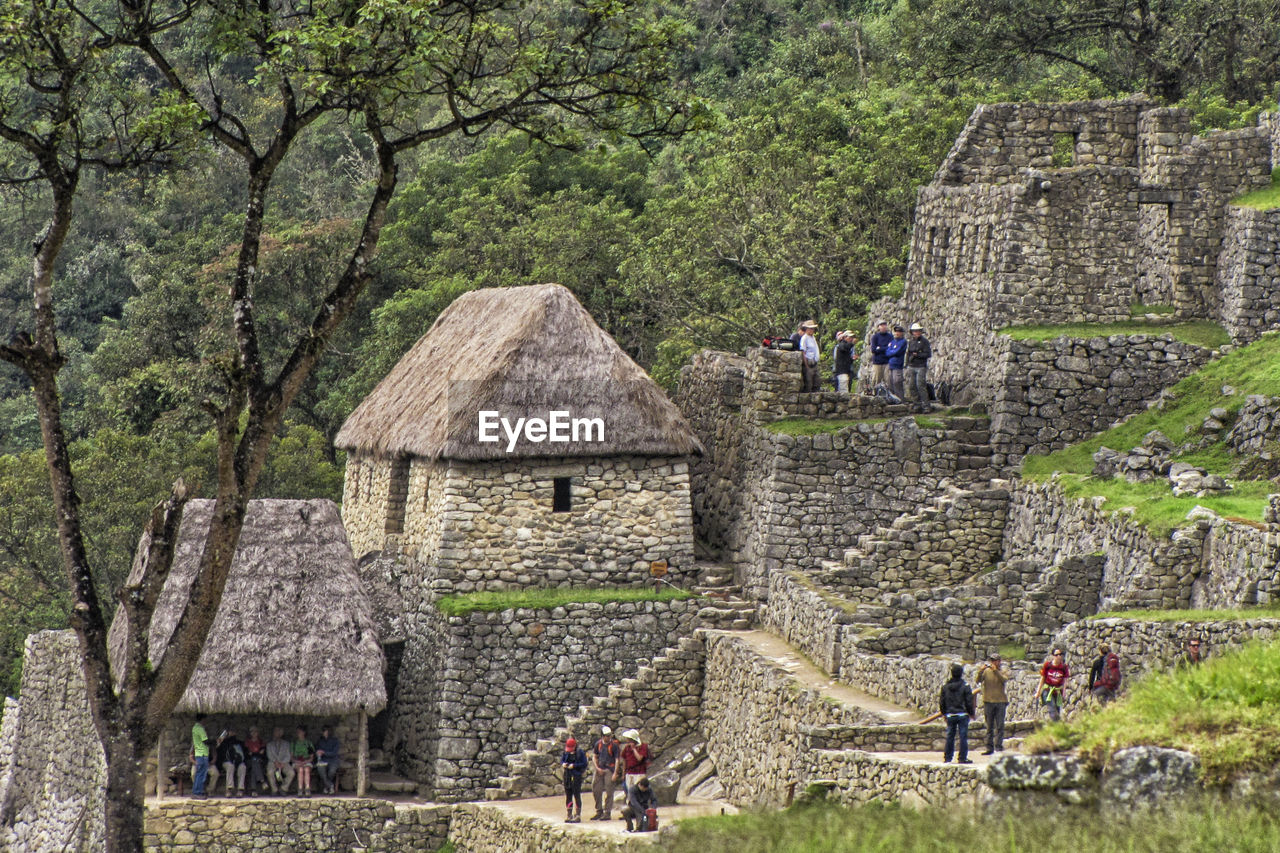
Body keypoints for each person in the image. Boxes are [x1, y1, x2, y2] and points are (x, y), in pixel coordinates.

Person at [973, 651, 1008, 755]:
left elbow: (1004, 680)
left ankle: (999, 747)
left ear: (999, 661)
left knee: (1000, 726)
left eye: (996, 661)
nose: (994, 662)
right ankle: (989, 747)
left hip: (1001, 701)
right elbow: (978, 681)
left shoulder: (1003, 671)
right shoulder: (986, 671)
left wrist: (996, 671)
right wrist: (980, 671)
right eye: (992, 660)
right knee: (989, 726)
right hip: (988, 701)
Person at [939, 663, 975, 764]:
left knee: (950, 735)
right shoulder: (965, 686)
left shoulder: (945, 687)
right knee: (963, 736)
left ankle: (947, 757)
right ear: (961, 674)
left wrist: (944, 713)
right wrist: (971, 713)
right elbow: (969, 701)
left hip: (950, 714)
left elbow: (942, 701)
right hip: (962, 714)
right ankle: (962, 757)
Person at [590, 725, 620, 821]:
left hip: (609, 769)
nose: (608, 737)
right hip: (600, 768)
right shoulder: (598, 744)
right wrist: (597, 767)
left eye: (609, 735)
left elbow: (617, 760)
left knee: (609, 791)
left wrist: (615, 773)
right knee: (596, 789)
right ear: (602, 736)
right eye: (607, 736)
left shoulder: (614, 746)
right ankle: (599, 810)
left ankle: (607, 812)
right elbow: (594, 756)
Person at [905, 322, 932, 413]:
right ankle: (916, 404)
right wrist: (907, 363)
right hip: (912, 366)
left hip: (921, 366)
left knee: (921, 385)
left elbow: (928, 354)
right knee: (912, 386)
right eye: (915, 331)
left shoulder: (924, 342)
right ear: (912, 332)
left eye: (918, 331)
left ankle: (926, 406)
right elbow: (908, 353)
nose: (916, 333)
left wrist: (918, 355)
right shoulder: (911, 342)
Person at [1038, 647, 1070, 722]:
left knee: (1058, 710)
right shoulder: (1047, 665)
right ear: (1052, 656)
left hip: (1058, 691)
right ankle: (1058, 726)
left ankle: (1056, 728)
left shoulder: (1064, 667)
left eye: (1060, 654)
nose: (1059, 656)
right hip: (1048, 690)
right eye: (1056, 655)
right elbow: (1042, 678)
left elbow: (1065, 680)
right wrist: (1038, 691)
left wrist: (1064, 692)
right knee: (1052, 708)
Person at [560, 736, 588, 822]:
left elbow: (584, 763)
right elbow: (562, 760)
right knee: (568, 795)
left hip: (576, 776)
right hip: (567, 776)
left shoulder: (580, 753)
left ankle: (578, 815)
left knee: (577, 795)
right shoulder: (566, 753)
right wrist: (563, 764)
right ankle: (569, 814)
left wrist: (574, 766)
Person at [215, 728, 247, 797]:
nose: (232, 733)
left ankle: (240, 789)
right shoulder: (224, 743)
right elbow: (218, 750)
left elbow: (244, 755)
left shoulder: (240, 743)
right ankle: (229, 789)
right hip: (226, 762)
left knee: (243, 767)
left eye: (233, 732)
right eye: (230, 732)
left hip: (238, 762)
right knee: (230, 766)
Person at [619, 729, 650, 795]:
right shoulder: (627, 748)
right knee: (630, 792)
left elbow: (639, 758)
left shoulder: (643, 747)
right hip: (629, 772)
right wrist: (623, 773)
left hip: (639, 773)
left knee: (639, 792)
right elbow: (624, 760)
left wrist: (634, 749)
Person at [266, 727, 295, 795]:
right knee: (270, 772)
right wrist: (275, 762)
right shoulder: (269, 744)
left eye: (279, 732)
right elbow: (269, 755)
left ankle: (283, 788)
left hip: (284, 763)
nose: (277, 733)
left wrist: (283, 763)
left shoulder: (287, 744)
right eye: (276, 732)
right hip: (273, 762)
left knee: (291, 773)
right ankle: (274, 789)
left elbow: (288, 755)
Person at [314, 725, 342, 795]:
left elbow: (334, 753)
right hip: (323, 760)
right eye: (323, 730)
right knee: (320, 769)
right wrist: (318, 753)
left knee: (332, 771)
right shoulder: (320, 741)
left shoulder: (335, 741)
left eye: (326, 730)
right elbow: (316, 750)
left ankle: (326, 787)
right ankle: (330, 785)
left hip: (333, 760)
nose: (325, 732)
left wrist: (324, 752)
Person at [191, 713, 212, 799]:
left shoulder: (194, 728)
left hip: (199, 754)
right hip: (202, 754)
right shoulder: (200, 729)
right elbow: (205, 741)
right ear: (202, 719)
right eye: (205, 720)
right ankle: (197, 792)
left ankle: (197, 791)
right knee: (201, 774)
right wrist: (215, 742)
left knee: (199, 773)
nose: (206, 721)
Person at [868, 320, 893, 391]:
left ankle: (889, 395)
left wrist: (880, 348)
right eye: (881, 325)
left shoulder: (890, 336)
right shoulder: (875, 337)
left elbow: (890, 349)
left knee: (888, 380)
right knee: (876, 380)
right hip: (877, 362)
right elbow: (873, 350)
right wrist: (885, 347)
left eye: (884, 325)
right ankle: (874, 394)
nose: (883, 327)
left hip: (887, 361)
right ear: (878, 327)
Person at [292, 726, 316, 797]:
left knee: (306, 769)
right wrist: (297, 761)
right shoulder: (294, 743)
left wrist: (305, 762)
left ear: (304, 733)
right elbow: (291, 757)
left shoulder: (308, 743)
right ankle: (300, 789)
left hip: (307, 761)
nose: (298, 733)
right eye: (297, 732)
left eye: (300, 732)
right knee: (301, 770)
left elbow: (312, 757)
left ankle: (307, 789)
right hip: (297, 761)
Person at [244, 727, 268, 795]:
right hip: (249, 762)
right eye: (252, 731)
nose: (254, 733)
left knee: (253, 769)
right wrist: (256, 754)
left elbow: (262, 753)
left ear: (258, 733)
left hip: (259, 761)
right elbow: (247, 754)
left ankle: (254, 791)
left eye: (255, 731)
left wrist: (253, 754)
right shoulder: (247, 742)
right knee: (254, 762)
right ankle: (262, 781)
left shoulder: (261, 742)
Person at [886, 325, 907, 399]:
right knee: (890, 383)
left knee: (897, 382)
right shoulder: (892, 342)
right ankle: (893, 399)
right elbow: (887, 352)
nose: (897, 333)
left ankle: (900, 399)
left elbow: (898, 351)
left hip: (898, 365)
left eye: (899, 332)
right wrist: (893, 352)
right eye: (896, 332)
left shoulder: (903, 342)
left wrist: (892, 352)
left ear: (902, 333)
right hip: (891, 364)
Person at [799, 321, 820, 393]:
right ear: (807, 329)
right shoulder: (804, 338)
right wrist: (806, 365)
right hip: (808, 362)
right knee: (809, 382)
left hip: (814, 362)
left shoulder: (813, 338)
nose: (812, 330)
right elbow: (803, 352)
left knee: (817, 381)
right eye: (810, 329)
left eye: (813, 329)